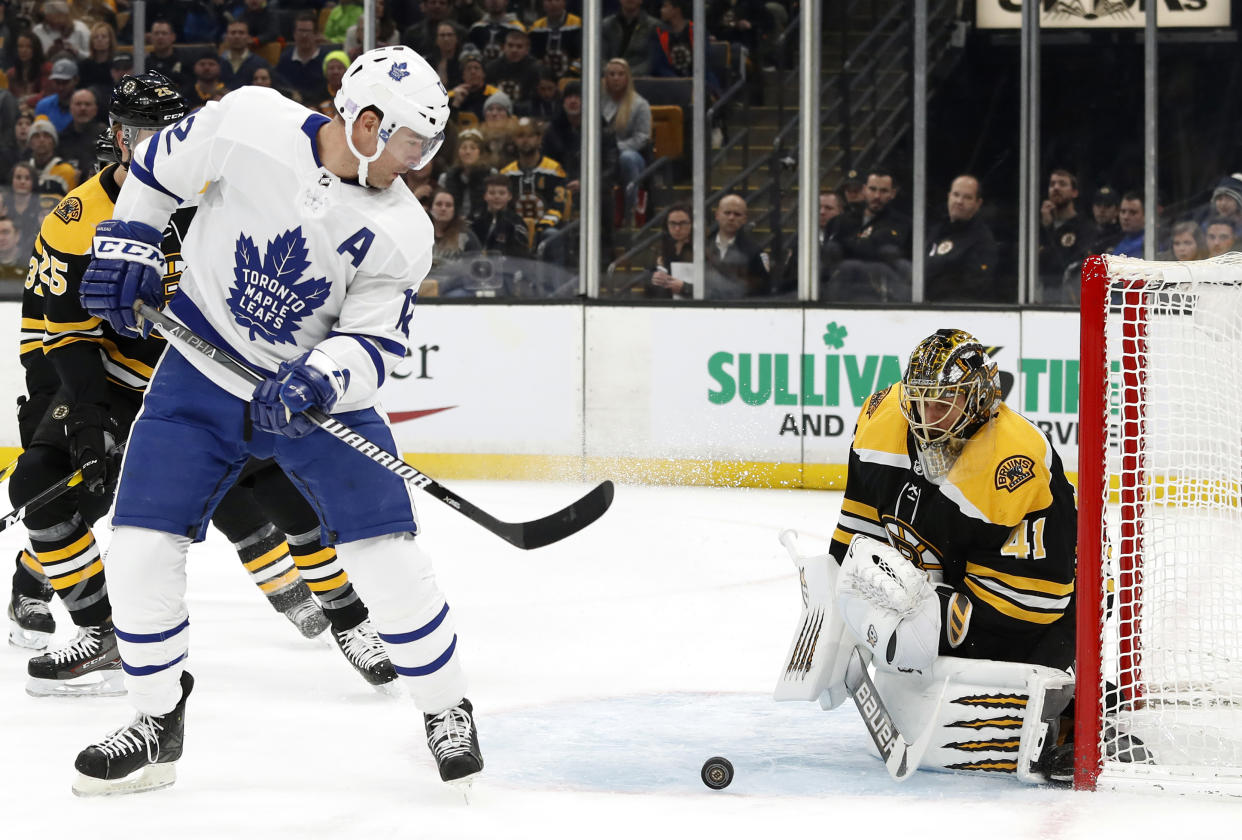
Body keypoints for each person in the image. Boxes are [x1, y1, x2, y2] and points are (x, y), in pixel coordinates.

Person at [72, 45, 483, 795]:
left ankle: (445, 707)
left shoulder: (404, 230)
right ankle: (156, 720)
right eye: (411, 142)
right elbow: (160, 165)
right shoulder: (252, 120)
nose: (420, 161)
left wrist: (320, 378)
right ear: (365, 121)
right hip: (200, 372)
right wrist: (128, 237)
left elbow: (374, 339)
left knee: (387, 558)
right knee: (136, 545)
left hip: (309, 401)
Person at [9, 70, 395, 691]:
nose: (150, 145)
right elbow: (67, 334)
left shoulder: (220, 196)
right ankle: (102, 631)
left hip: (202, 371)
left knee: (279, 483)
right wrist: (87, 415)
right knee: (42, 485)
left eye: (163, 132)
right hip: (111, 377)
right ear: (115, 135)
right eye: (136, 132)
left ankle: (350, 617)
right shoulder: (77, 214)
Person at [779, 329, 1078, 781]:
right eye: (920, 400)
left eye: (944, 402)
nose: (928, 415)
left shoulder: (1010, 461)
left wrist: (910, 624)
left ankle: (1076, 711)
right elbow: (856, 532)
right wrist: (837, 623)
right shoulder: (882, 421)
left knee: (912, 630)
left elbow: (1034, 603)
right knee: (867, 589)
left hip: (1043, 599)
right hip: (960, 578)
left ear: (976, 400)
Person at [825, 168, 910, 302]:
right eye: (872, 189)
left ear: (893, 193)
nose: (877, 196)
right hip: (840, 295)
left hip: (882, 296)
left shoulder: (902, 225)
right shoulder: (840, 222)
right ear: (864, 190)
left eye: (883, 191)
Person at [924, 174, 1001, 303]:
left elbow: (973, 287)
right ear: (949, 196)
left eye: (967, 197)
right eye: (956, 195)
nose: (959, 201)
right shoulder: (936, 230)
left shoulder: (982, 240)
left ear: (978, 203)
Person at [499, 116, 567, 253]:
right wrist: (519, 226)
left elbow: (559, 205)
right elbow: (503, 207)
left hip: (546, 228)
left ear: (539, 138)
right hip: (515, 229)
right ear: (514, 140)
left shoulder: (554, 170)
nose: (525, 140)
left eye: (530, 136)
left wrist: (541, 226)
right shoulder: (506, 173)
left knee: (552, 235)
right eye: (520, 136)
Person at [602, 58, 650, 226]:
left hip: (630, 155)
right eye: (611, 74)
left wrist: (615, 149)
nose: (616, 78)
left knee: (627, 158)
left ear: (628, 77)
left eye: (620, 74)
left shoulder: (640, 104)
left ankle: (632, 210)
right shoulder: (596, 101)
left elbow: (642, 137)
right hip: (601, 154)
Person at [695, 192, 769, 298]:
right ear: (717, 215)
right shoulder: (701, 246)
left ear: (744, 219)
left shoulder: (754, 252)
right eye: (727, 213)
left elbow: (762, 289)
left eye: (737, 214)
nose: (731, 218)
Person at [1037, 168, 1094, 304]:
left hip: (1071, 303)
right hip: (1043, 300)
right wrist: (1046, 228)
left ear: (1074, 192)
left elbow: (1064, 268)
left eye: (1062, 184)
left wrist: (1050, 230)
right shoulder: (1038, 227)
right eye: (1052, 184)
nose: (1056, 188)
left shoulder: (1084, 228)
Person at [438, 126, 494, 220]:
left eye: (473, 148)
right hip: (453, 224)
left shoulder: (491, 175)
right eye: (464, 147)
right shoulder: (446, 177)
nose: (468, 152)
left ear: (480, 152)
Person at [471, 172, 530, 258]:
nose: (497, 197)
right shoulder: (474, 218)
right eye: (491, 193)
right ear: (485, 196)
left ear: (509, 196)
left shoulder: (517, 221)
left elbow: (521, 252)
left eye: (502, 193)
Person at [276, 11, 330, 103]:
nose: (304, 35)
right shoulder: (285, 59)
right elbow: (281, 87)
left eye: (308, 31)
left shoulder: (326, 59)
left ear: (316, 34)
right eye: (301, 31)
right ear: (294, 33)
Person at [485, 28, 541, 113]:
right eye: (510, 45)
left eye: (519, 46)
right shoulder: (491, 68)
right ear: (503, 47)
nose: (514, 50)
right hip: (496, 112)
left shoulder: (535, 69)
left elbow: (535, 101)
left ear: (527, 50)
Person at [645, 203, 693, 298]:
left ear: (692, 224)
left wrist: (685, 288)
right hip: (664, 305)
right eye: (673, 223)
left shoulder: (702, 248)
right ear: (666, 225)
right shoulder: (660, 247)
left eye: (682, 223)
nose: (677, 228)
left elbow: (712, 287)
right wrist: (652, 278)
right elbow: (645, 277)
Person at [57, 87, 105, 177]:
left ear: (95, 110)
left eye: (87, 104)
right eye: (78, 104)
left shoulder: (105, 137)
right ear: (71, 109)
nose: (83, 108)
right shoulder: (62, 138)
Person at [529, 0, 582, 81]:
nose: (553, 4)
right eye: (549, 0)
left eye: (557, 0)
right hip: (543, 81)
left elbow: (584, 54)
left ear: (565, 2)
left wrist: (571, 73)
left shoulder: (578, 24)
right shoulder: (536, 28)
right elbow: (533, 57)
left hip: (574, 79)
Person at [602, 0, 657, 76]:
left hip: (642, 81)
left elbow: (652, 61)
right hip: (609, 80)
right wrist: (612, 73)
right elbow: (600, 58)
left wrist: (626, 75)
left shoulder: (655, 27)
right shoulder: (605, 26)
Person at [27, 117, 77, 195]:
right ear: (30, 143)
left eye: (46, 135)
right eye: (36, 136)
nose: (41, 140)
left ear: (53, 141)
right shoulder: (25, 169)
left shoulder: (66, 171)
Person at [219, 19, 272, 91]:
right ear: (226, 37)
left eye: (241, 33)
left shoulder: (261, 63)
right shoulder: (217, 63)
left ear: (249, 38)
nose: (237, 36)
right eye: (233, 33)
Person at [34, 57, 79, 133]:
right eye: (57, 82)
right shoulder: (43, 105)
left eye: (65, 82)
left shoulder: (85, 106)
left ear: (76, 80)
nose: (60, 87)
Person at [145, 19, 189, 90]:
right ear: (151, 37)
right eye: (156, 33)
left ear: (173, 37)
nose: (160, 37)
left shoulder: (185, 61)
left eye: (164, 33)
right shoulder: (145, 63)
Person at [1106, 192, 1145, 259]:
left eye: (1133, 212)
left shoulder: (1150, 245)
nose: (1126, 217)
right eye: (1123, 211)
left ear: (1145, 215)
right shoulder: (1114, 240)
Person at [1089, 186, 1121, 253]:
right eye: (1098, 205)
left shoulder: (1122, 236)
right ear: (1093, 208)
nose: (1102, 210)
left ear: (1117, 210)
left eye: (1107, 206)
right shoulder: (1085, 234)